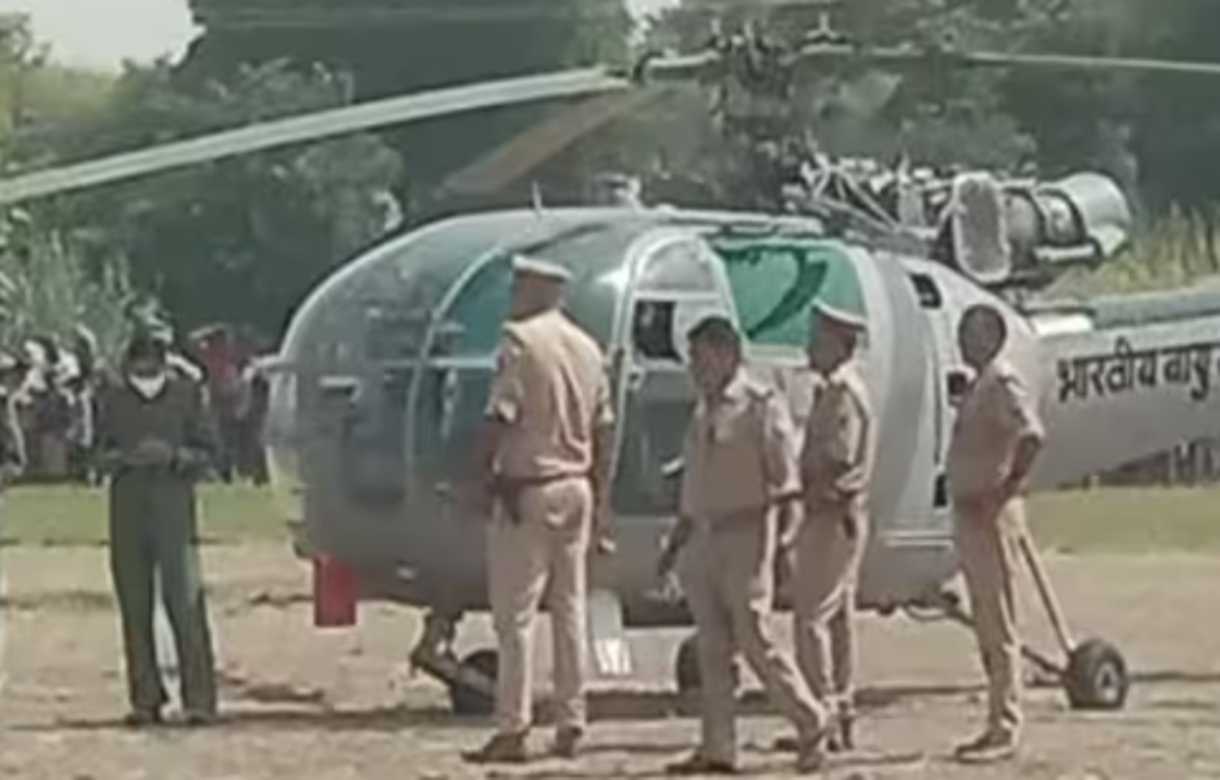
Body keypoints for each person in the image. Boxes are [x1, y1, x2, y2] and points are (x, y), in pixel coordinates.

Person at [658, 314, 830, 776]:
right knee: (712, 648)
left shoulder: (759, 405)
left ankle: (811, 720)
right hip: (704, 538)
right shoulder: (702, 411)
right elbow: (693, 489)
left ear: (728, 355)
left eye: (702, 357)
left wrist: (785, 544)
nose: (695, 367)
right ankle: (718, 747)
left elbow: (786, 482)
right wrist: (675, 545)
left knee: (756, 639)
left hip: (747, 535)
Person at [463, 254, 616, 764]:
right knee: (570, 609)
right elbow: (604, 429)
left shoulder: (520, 342)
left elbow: (501, 414)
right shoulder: (589, 349)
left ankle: (513, 726)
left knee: (516, 616)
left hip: (529, 488)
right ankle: (572, 719)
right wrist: (603, 494)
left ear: (532, 289)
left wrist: (479, 473)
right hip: (577, 486)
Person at [95, 328, 221, 727]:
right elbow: (95, 453)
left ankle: (199, 699)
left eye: (154, 363)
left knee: (183, 602)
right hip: (127, 509)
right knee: (135, 606)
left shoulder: (187, 396)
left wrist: (175, 456)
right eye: (140, 364)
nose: (146, 372)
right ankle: (145, 697)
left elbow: (211, 453)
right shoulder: (113, 398)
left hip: (174, 511)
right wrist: (125, 457)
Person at [947, 304, 1045, 764]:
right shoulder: (977, 385)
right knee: (986, 621)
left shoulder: (1001, 382)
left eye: (970, 332)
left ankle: (1005, 725)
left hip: (991, 514)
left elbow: (1031, 435)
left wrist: (1006, 487)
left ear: (991, 336)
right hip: (971, 514)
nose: (962, 340)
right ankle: (994, 719)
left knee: (1000, 623)